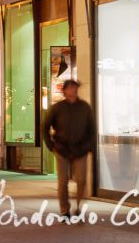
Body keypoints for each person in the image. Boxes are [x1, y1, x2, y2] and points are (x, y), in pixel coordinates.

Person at [41, 80, 95, 217]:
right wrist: (51, 145)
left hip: (80, 149)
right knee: (63, 181)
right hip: (62, 149)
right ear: (64, 91)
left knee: (81, 180)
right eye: (70, 88)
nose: (73, 90)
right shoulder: (57, 108)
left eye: (75, 88)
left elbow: (92, 129)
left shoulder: (84, 107)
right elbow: (45, 127)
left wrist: (89, 146)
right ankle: (64, 210)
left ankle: (78, 206)